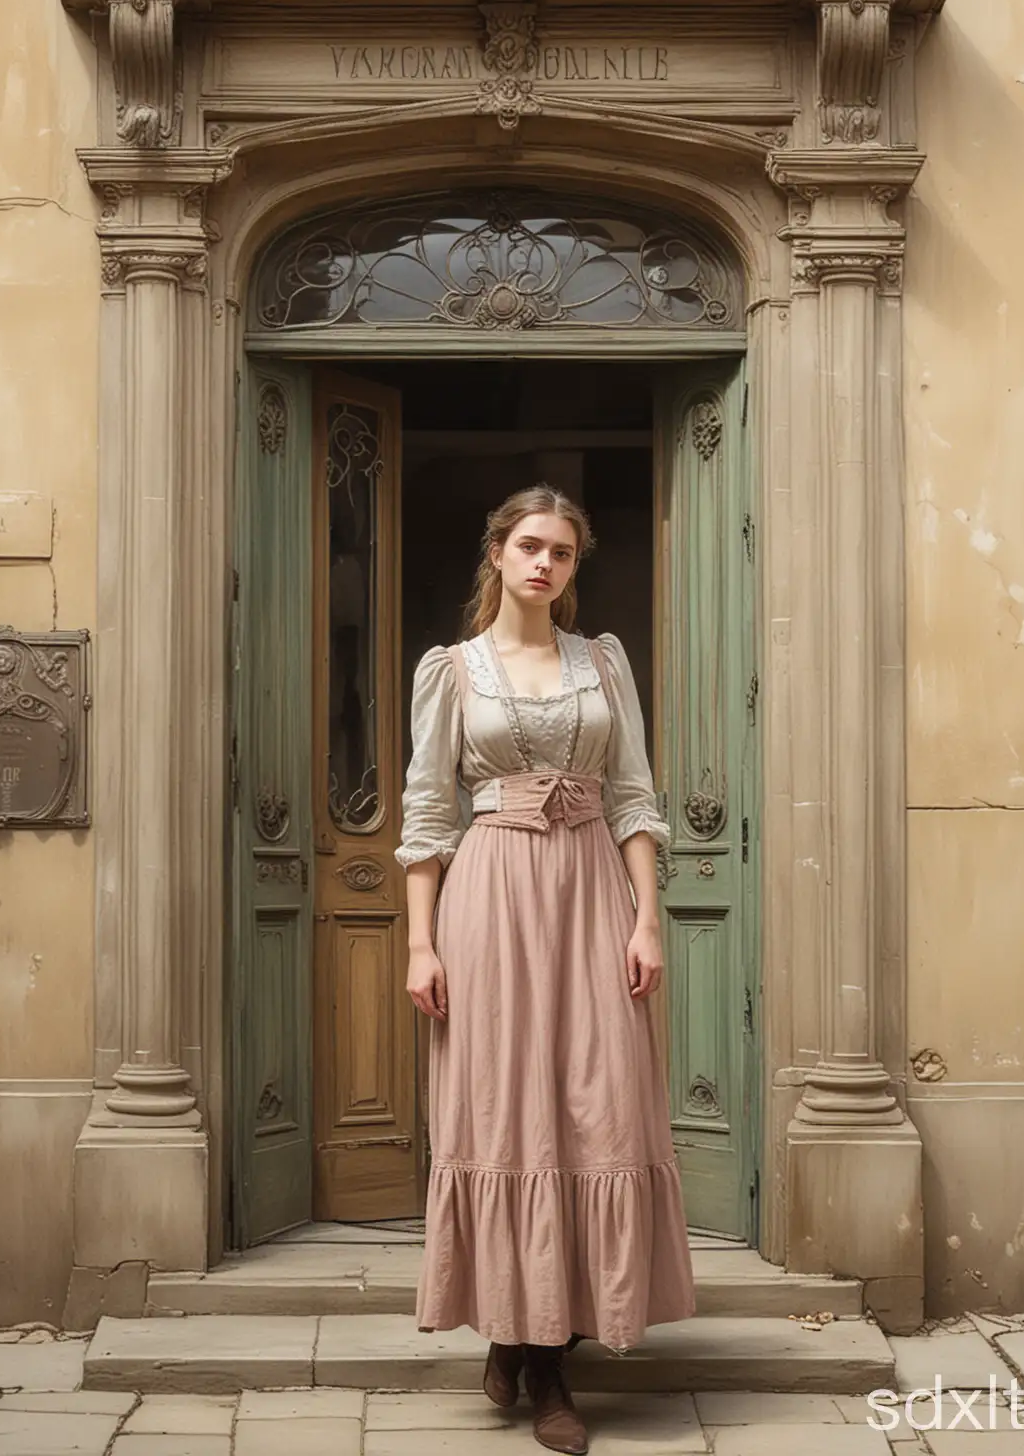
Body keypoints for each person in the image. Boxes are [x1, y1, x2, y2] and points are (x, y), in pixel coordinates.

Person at [395, 484, 697, 1455]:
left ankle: (546, 1340)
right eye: (529, 545)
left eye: (562, 552)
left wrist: (648, 920)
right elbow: (427, 816)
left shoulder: (602, 664)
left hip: (591, 897)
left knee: (597, 1104)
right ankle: (535, 1358)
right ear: (497, 551)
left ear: (574, 566)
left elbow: (637, 798)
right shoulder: (452, 672)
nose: (544, 564)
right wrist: (421, 940)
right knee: (505, 1107)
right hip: (491, 898)